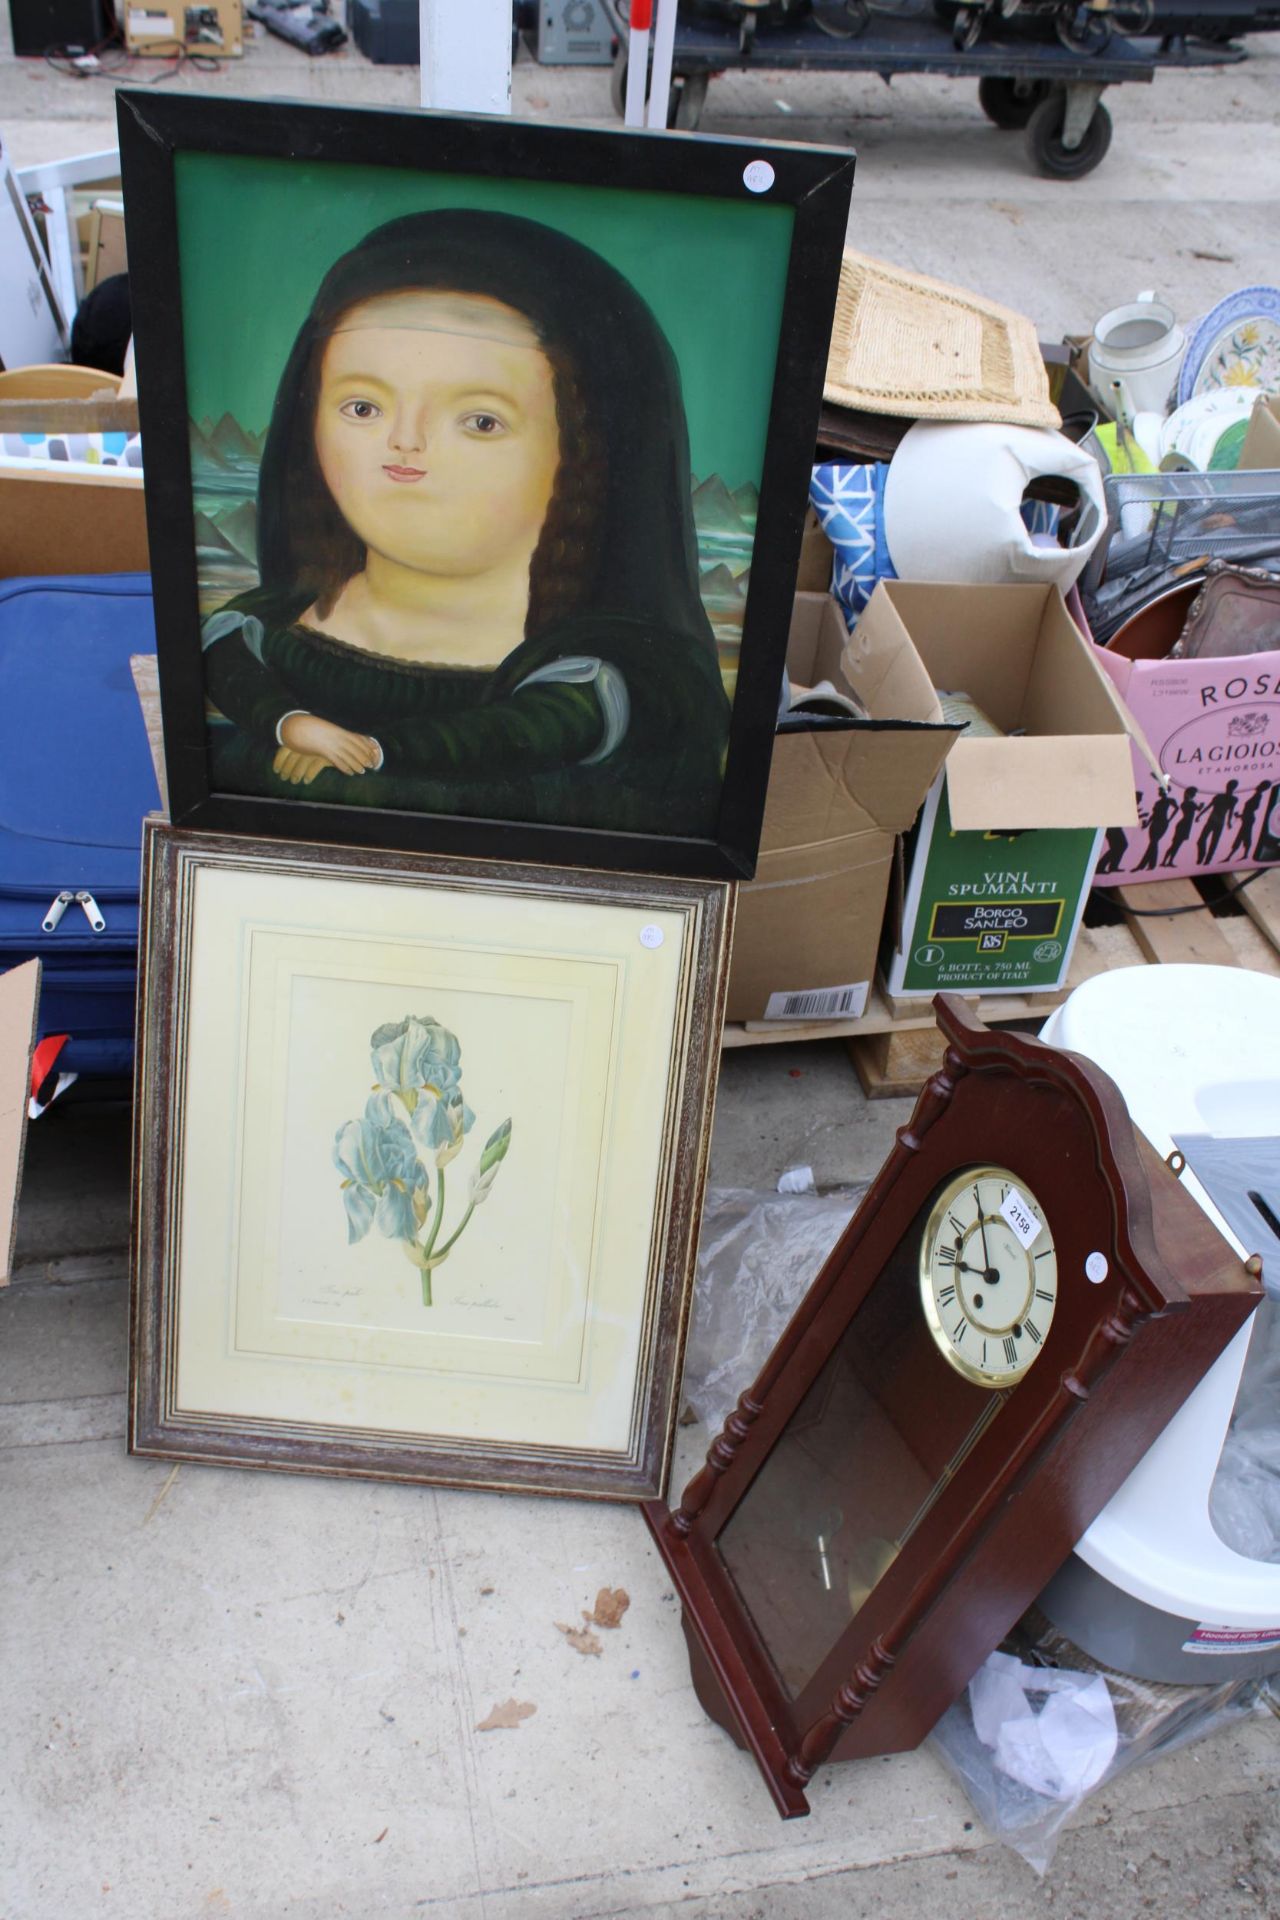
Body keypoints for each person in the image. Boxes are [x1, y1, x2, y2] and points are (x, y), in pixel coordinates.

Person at [201, 209, 732, 836]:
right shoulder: (256, 633)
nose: (403, 444)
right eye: (363, 406)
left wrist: (365, 753)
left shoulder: (629, 689)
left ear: (583, 454)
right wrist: (291, 724)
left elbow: (522, 740)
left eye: (480, 420)